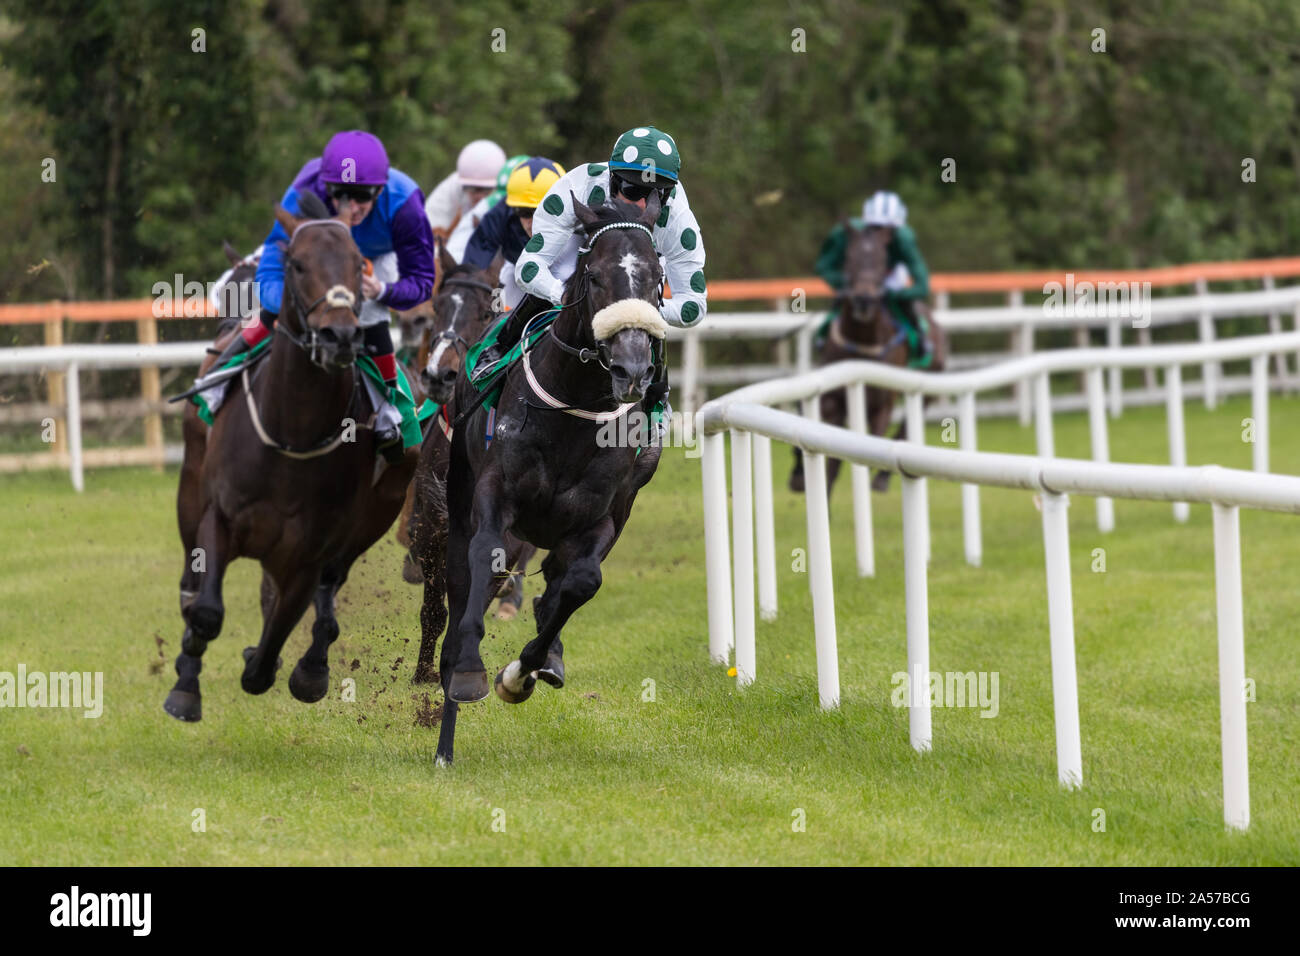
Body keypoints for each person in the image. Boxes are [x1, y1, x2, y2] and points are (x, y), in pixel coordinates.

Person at [209, 129, 436, 460]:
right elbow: (272, 265)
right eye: (341, 195)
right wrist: (287, 305)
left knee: (370, 316)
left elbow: (421, 282)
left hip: (374, 256)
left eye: (363, 196)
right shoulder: (306, 188)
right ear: (325, 186)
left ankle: (388, 406)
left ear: (381, 189)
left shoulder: (405, 205)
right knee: (278, 305)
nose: (352, 207)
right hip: (318, 252)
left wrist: (384, 291)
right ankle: (222, 373)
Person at [484, 126, 707, 427]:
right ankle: (501, 346)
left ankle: (656, 395)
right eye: (632, 190)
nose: (642, 204)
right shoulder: (577, 187)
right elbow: (529, 267)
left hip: (640, 258)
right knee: (567, 271)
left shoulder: (678, 221)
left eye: (657, 194)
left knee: (647, 284)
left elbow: (694, 307)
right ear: (612, 179)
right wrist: (565, 296)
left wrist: (639, 306)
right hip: (582, 242)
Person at [815, 190, 933, 362]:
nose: (880, 234)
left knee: (905, 305)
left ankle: (920, 341)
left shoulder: (904, 240)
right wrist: (844, 283)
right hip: (856, 277)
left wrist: (896, 295)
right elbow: (823, 266)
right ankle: (823, 337)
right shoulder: (845, 234)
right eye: (875, 227)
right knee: (841, 302)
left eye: (886, 230)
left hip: (890, 277)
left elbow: (922, 286)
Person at [461, 156, 566, 310]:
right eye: (524, 212)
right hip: (515, 268)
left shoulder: (579, 215)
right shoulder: (501, 212)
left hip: (563, 269)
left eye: (540, 212)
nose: (533, 222)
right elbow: (475, 261)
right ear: (513, 208)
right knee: (496, 307)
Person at [446, 153, 529, 262]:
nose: (477, 196)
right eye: (470, 188)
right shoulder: (483, 209)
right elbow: (454, 252)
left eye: (484, 189)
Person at [424, 139, 507, 243]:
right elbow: (426, 226)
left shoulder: (510, 191)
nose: (478, 196)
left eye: (486, 190)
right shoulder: (452, 187)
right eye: (471, 188)